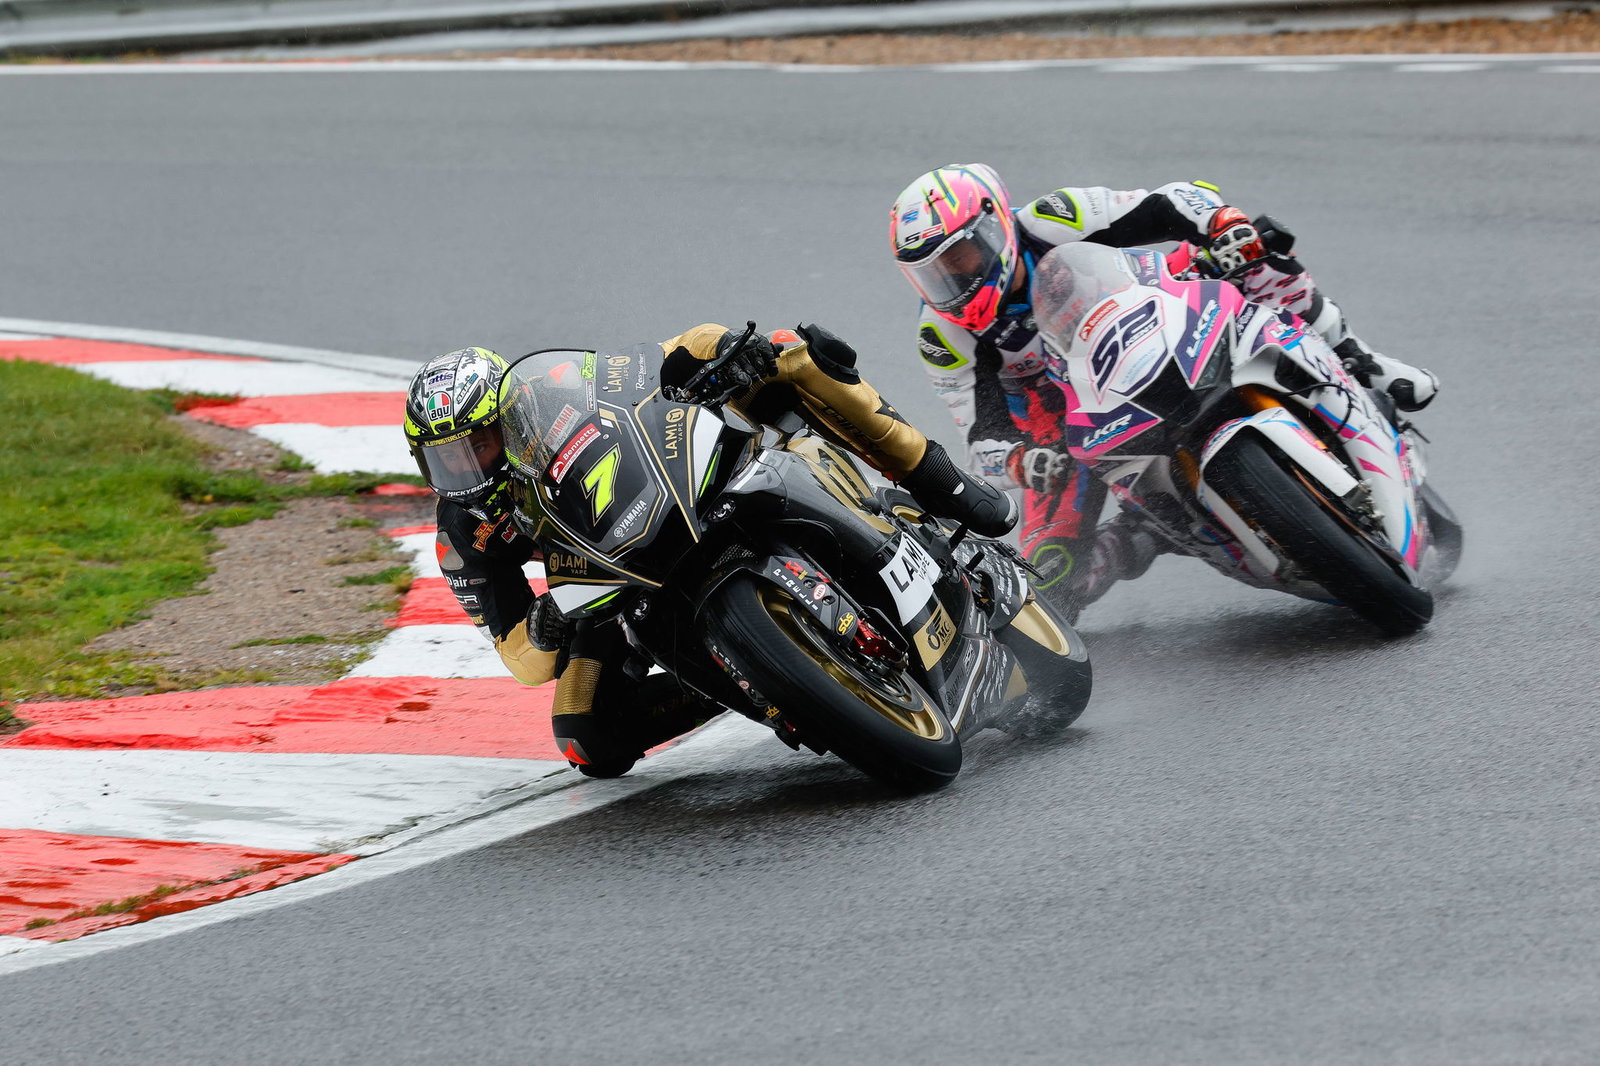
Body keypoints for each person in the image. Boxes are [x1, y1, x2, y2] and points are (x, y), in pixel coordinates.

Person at [402, 327, 1014, 777]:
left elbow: (656, 360)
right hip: (610, 579)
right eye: (445, 460)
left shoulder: (553, 390)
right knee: (586, 739)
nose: (466, 469)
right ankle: (758, 674)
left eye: (477, 446)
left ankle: (942, 482)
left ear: (506, 420)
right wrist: (546, 623)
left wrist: (721, 351)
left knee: (789, 354)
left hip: (687, 485)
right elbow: (519, 659)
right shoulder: (462, 533)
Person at [889, 163, 1441, 619]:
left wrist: (1223, 225)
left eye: (958, 258)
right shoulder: (943, 335)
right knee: (1052, 580)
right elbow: (979, 438)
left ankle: (1360, 361)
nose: (952, 281)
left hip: (1149, 316)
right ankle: (1149, 531)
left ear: (993, 226)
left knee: (1259, 249)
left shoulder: (1057, 217)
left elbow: (1174, 200)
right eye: (932, 273)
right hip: (1065, 420)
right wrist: (1020, 462)